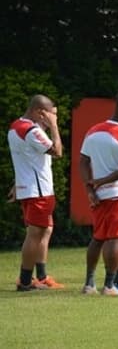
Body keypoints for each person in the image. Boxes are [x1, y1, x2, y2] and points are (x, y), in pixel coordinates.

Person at [79, 90, 118, 295]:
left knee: (98, 237)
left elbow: (83, 162)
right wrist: (101, 181)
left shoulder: (93, 131)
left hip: (99, 196)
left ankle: (89, 284)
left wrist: (91, 189)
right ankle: (109, 285)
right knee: (115, 239)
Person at [9, 95, 64, 291]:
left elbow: (24, 159)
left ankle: (40, 275)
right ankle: (25, 281)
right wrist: (55, 127)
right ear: (39, 112)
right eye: (50, 115)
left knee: (45, 229)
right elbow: (57, 151)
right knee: (35, 234)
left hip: (30, 187)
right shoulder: (32, 131)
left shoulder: (16, 126)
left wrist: (17, 183)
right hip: (38, 190)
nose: (52, 119)